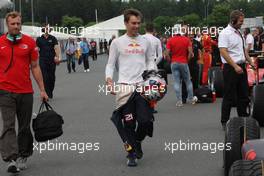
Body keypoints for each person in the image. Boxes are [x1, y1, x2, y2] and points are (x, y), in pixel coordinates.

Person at [105, 8, 156, 167]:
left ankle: (137, 140)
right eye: (133, 23)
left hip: (142, 87)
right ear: (126, 23)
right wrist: (108, 79)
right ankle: (131, 153)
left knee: (145, 121)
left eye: (138, 23)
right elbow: (110, 64)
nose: (136, 26)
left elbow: (150, 60)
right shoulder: (117, 42)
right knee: (128, 123)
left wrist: (153, 77)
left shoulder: (146, 41)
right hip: (125, 88)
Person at [0, 11, 48, 174]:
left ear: (21, 24)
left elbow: (35, 67)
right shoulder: (0, 43)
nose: (16, 26)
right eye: (13, 24)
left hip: (26, 91)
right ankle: (11, 159)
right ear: (7, 25)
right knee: (8, 125)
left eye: (18, 23)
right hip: (5, 91)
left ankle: (23, 155)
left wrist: (42, 89)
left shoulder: (29, 42)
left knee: (24, 126)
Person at [219, 10, 255, 130]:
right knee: (229, 96)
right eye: (240, 21)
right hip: (230, 68)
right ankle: (225, 121)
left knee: (244, 95)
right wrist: (235, 66)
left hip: (242, 66)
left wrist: (250, 62)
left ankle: (243, 119)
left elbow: (243, 51)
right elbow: (223, 51)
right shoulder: (225, 33)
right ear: (233, 20)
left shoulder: (239, 33)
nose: (242, 23)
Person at [165, 25, 197, 107]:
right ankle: (191, 98)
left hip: (174, 62)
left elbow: (166, 54)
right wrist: (187, 60)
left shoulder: (170, 40)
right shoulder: (186, 40)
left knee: (176, 82)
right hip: (183, 62)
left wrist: (170, 60)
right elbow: (190, 53)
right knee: (188, 81)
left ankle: (179, 101)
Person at [36, 24, 61, 99]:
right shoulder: (39, 39)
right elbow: (36, 49)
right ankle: (47, 93)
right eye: (46, 28)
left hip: (52, 60)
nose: (47, 30)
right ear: (43, 30)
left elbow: (56, 48)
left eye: (48, 29)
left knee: (51, 77)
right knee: (45, 77)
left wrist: (57, 57)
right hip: (43, 60)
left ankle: (50, 90)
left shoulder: (53, 38)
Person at [143, 23, 163, 113]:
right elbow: (160, 56)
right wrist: (155, 63)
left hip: (142, 64)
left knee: (141, 85)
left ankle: (142, 105)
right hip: (152, 64)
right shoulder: (156, 40)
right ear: (153, 30)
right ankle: (152, 106)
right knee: (153, 86)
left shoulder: (141, 38)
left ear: (145, 29)